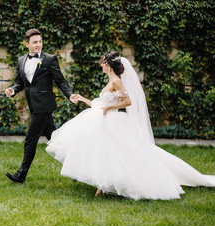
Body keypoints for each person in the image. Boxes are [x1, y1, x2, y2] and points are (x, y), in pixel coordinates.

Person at [46, 51, 215, 200]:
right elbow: (100, 105)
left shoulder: (116, 82)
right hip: (103, 121)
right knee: (104, 153)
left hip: (113, 122)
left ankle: (107, 186)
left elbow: (128, 101)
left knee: (118, 153)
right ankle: (102, 185)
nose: (101, 65)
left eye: (103, 62)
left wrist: (109, 108)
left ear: (110, 66)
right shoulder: (110, 81)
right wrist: (82, 99)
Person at [4, 29, 79, 183]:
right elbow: (20, 82)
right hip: (34, 105)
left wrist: (70, 94)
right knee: (55, 139)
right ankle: (77, 169)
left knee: (30, 139)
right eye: (35, 42)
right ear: (27, 44)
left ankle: (21, 175)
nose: (39, 45)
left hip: (44, 106)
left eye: (40, 41)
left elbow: (60, 80)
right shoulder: (20, 60)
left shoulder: (50, 59)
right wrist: (12, 90)